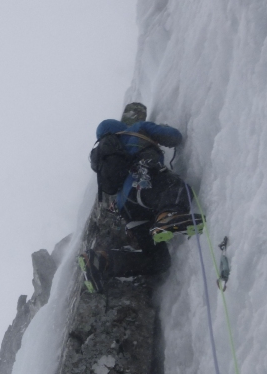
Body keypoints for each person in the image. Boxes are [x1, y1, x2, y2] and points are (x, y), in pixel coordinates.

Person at [81, 102, 201, 291]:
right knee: (178, 190)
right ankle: (167, 216)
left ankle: (103, 261)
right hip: (142, 182)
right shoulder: (136, 130)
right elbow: (173, 137)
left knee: (157, 260)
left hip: (128, 209)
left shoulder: (105, 161)